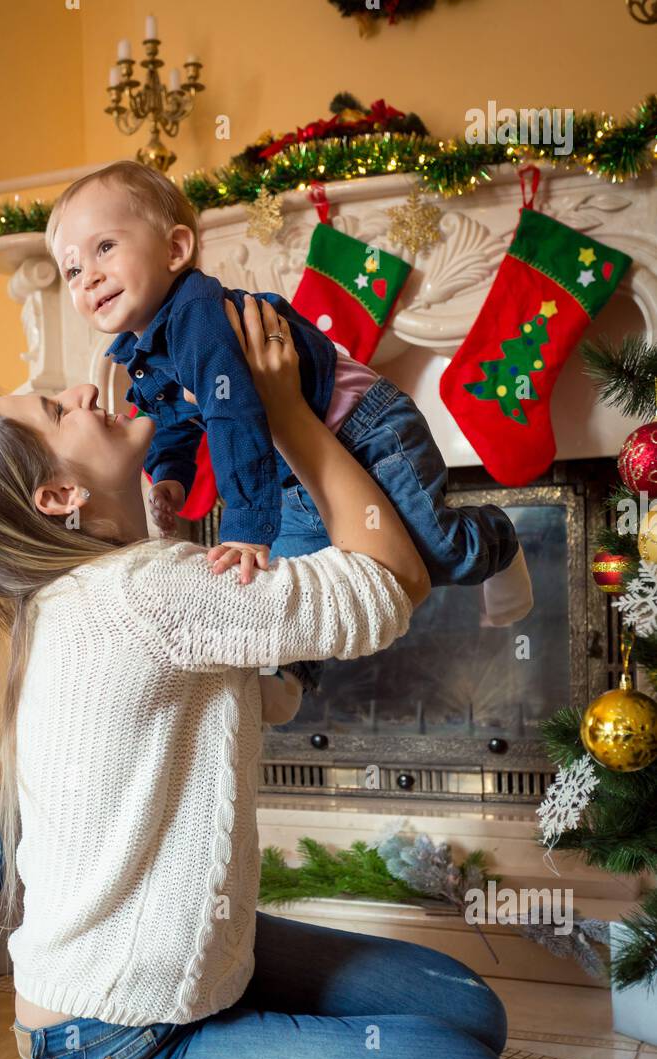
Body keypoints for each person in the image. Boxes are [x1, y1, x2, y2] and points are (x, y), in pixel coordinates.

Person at [0, 294, 511, 1059]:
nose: (85, 391)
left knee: (469, 1008)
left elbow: (261, 693)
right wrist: (289, 415)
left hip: (197, 964)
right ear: (58, 495)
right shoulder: (142, 593)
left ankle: (251, 1034)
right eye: (55, 410)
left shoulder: (95, 592)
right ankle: (235, 1057)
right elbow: (388, 581)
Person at [45, 159, 533, 695]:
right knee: (288, 581)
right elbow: (173, 419)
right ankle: (288, 683)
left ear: (175, 250)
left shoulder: (197, 318)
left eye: (105, 248)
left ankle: (498, 540)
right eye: (71, 270)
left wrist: (245, 527)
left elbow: (232, 415)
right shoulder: (143, 349)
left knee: (433, 550)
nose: (88, 275)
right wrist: (172, 476)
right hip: (289, 472)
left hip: (364, 428)